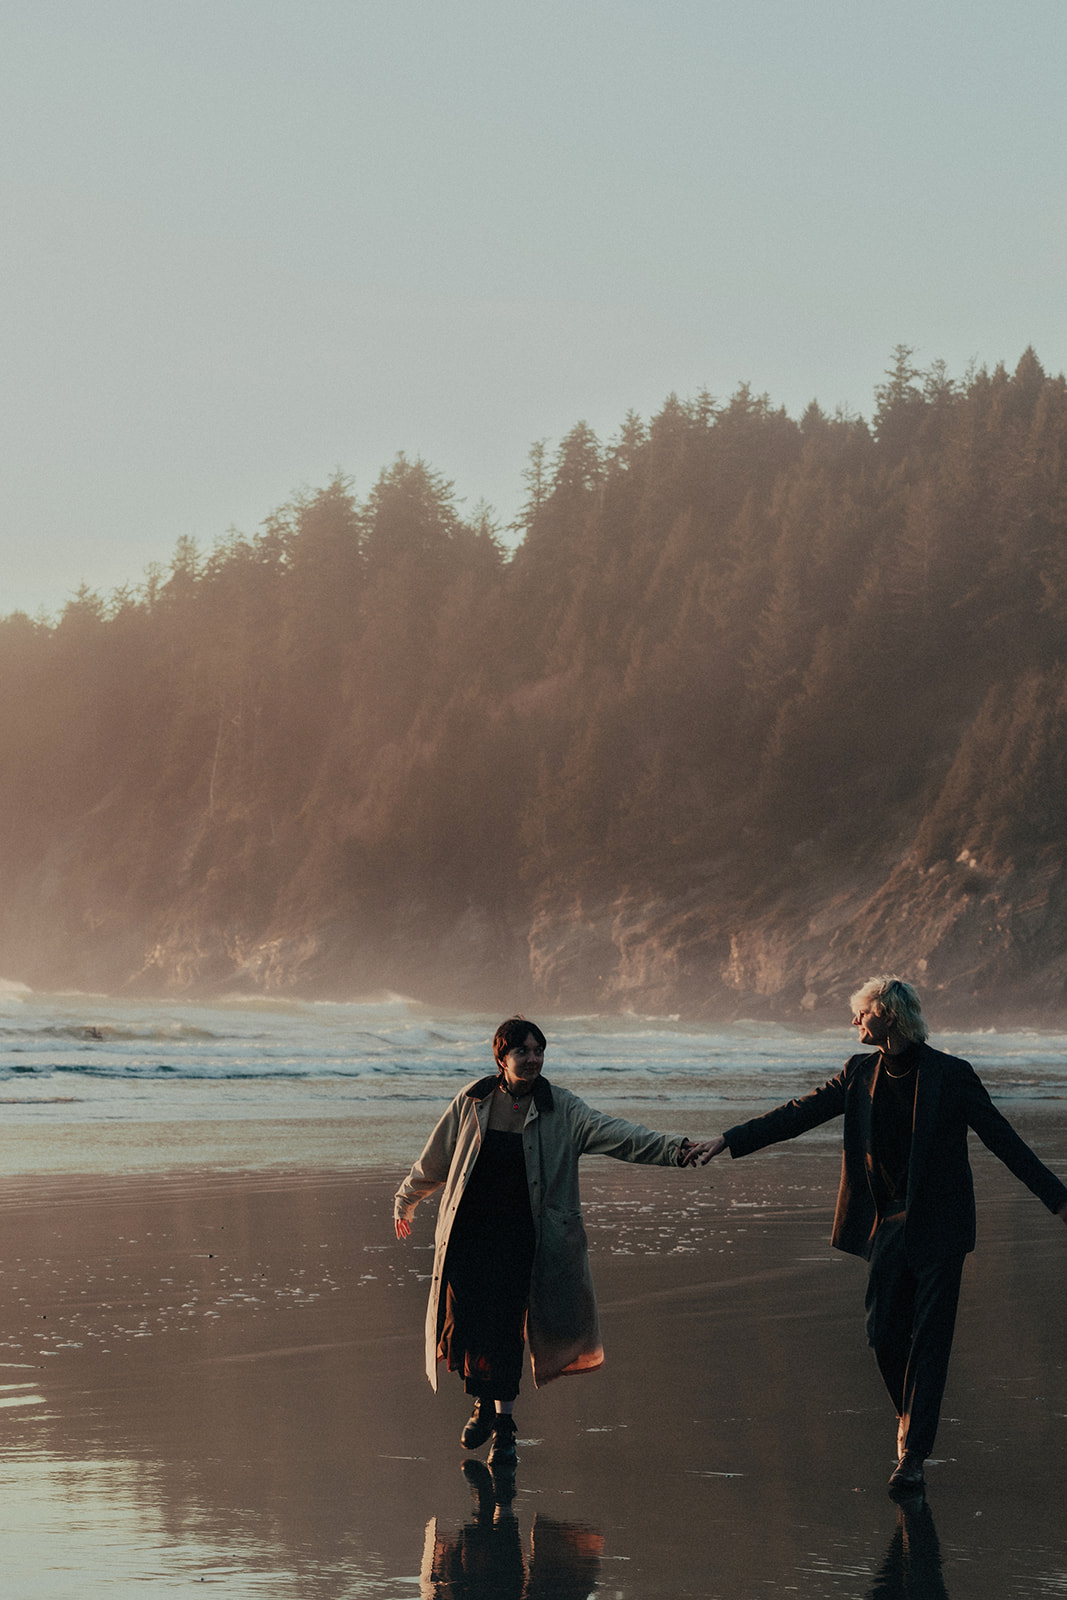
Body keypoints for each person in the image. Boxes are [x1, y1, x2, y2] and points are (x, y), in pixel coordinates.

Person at [698, 975, 1067, 1494]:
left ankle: (912, 1456)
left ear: (887, 1016)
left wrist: (1059, 1199)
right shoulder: (858, 1073)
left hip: (941, 1226)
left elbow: (1004, 1140)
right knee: (883, 1334)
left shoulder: (951, 1075)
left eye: (862, 1013)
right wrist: (728, 1140)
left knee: (932, 1341)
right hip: (885, 1222)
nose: (854, 1021)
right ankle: (912, 1417)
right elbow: (797, 1115)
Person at [394, 1016, 715, 1469]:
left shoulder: (561, 1108)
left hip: (522, 1239)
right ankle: (483, 1404)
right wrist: (406, 1198)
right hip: (469, 1236)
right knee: (465, 1322)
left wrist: (675, 1148)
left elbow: (619, 1134)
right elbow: (437, 1155)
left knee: (505, 1328)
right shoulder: (473, 1100)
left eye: (538, 1051)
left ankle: (504, 1428)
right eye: (522, 1051)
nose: (532, 1059)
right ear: (500, 1057)